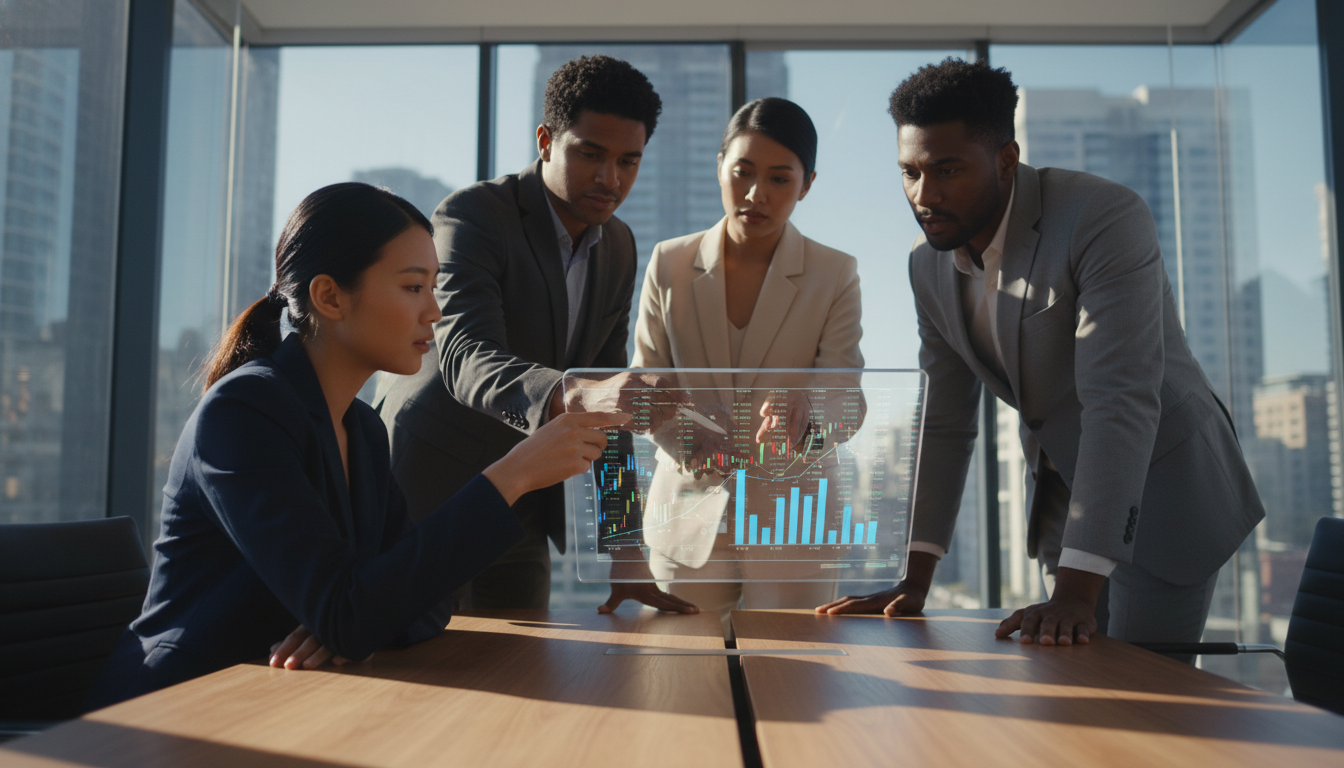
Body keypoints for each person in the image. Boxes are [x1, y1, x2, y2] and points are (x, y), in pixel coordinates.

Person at [85, 183, 624, 709]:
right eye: (413, 288)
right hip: (175, 711)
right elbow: (353, 613)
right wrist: (513, 474)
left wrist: (355, 619)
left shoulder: (363, 428)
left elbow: (421, 602)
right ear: (330, 297)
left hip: (284, 703)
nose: (434, 312)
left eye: (434, 287)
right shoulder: (243, 412)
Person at [819, 58, 1264, 655]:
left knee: (1143, 689)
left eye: (947, 170)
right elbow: (945, 421)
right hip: (1061, 501)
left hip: (1164, 494)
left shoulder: (1103, 216)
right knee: (1070, 685)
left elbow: (1119, 399)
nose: (924, 195)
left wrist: (1076, 594)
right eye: (910, 172)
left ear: (1006, 159)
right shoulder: (927, 266)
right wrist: (914, 578)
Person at [374, 55, 688, 612]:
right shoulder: (474, 215)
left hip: (525, 499)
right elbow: (466, 355)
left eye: (628, 161)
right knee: (422, 656)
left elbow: (609, 396)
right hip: (434, 485)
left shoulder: (618, 246)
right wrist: (578, 393)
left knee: (526, 658)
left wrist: (625, 546)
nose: (610, 179)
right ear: (545, 141)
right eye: (590, 154)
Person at [600, 98, 864, 633]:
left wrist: (808, 414)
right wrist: (691, 439)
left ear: (807, 185)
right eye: (742, 171)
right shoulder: (669, 263)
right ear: (719, 165)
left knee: (790, 671)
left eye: (779, 178)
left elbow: (847, 398)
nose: (756, 193)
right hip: (687, 516)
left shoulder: (835, 272)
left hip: (794, 524)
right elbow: (647, 384)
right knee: (682, 674)